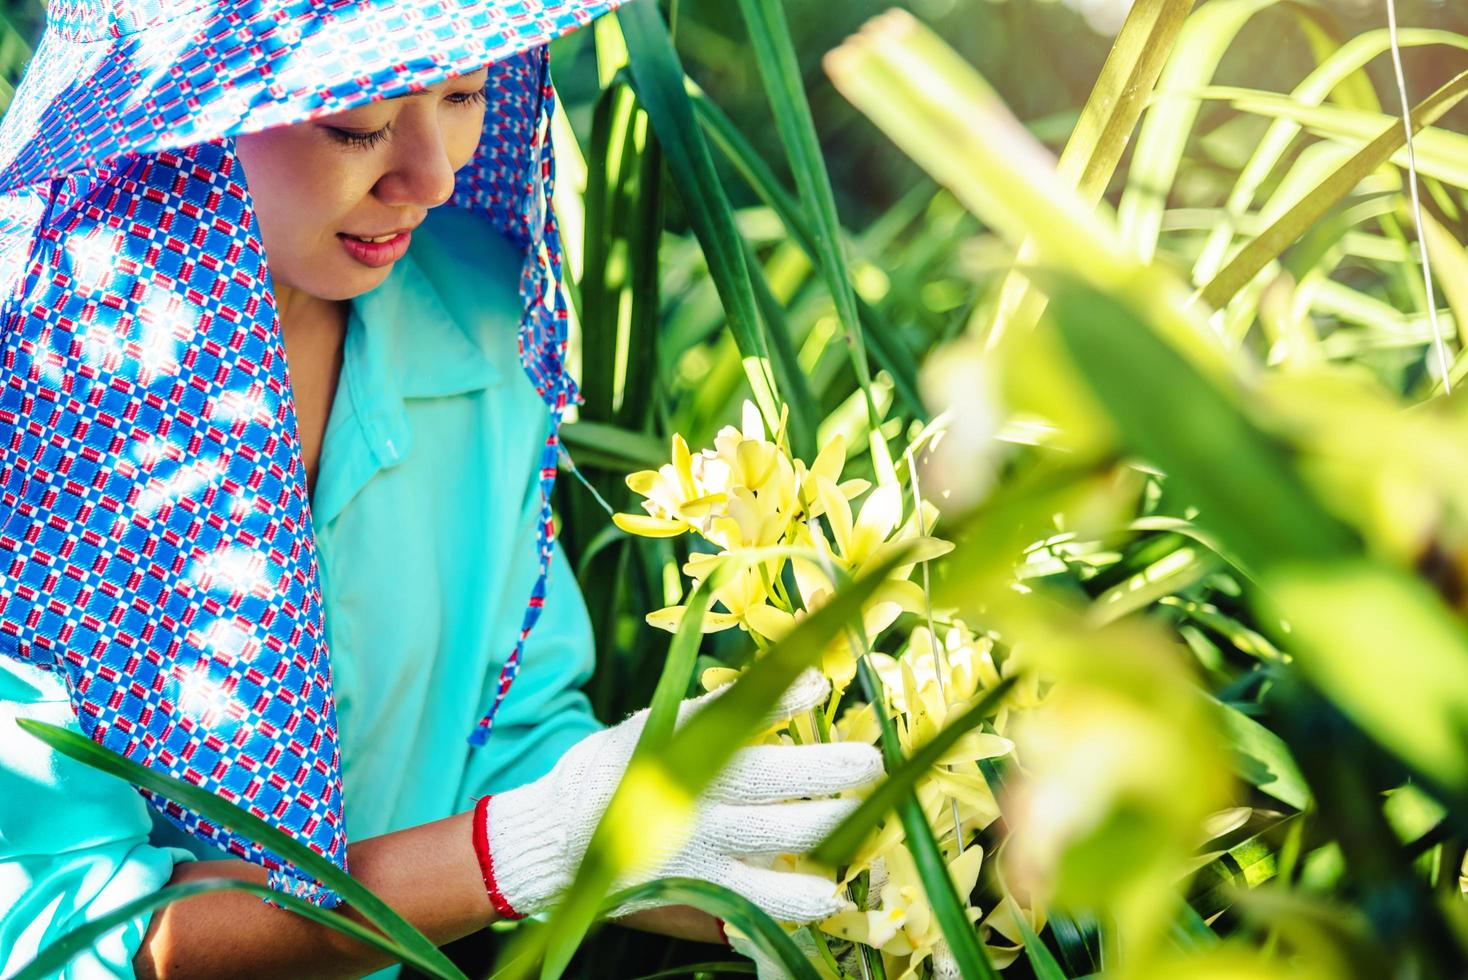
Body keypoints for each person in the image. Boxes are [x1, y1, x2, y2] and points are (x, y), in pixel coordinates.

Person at [0, 1, 882, 976]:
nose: (433, 174)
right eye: (355, 122)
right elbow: (71, 931)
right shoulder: (32, 394)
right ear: (178, 111)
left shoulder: (471, 313)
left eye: (466, 92)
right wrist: (514, 853)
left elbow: (506, 730)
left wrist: (795, 874)